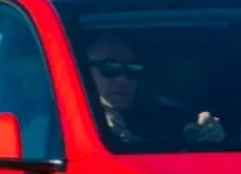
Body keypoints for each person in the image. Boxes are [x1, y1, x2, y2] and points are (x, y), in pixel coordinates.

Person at [86, 33, 226, 145]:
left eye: (134, 70)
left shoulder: (165, 115)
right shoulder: (68, 124)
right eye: (110, 68)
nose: (124, 79)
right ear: (82, 70)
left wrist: (211, 133)